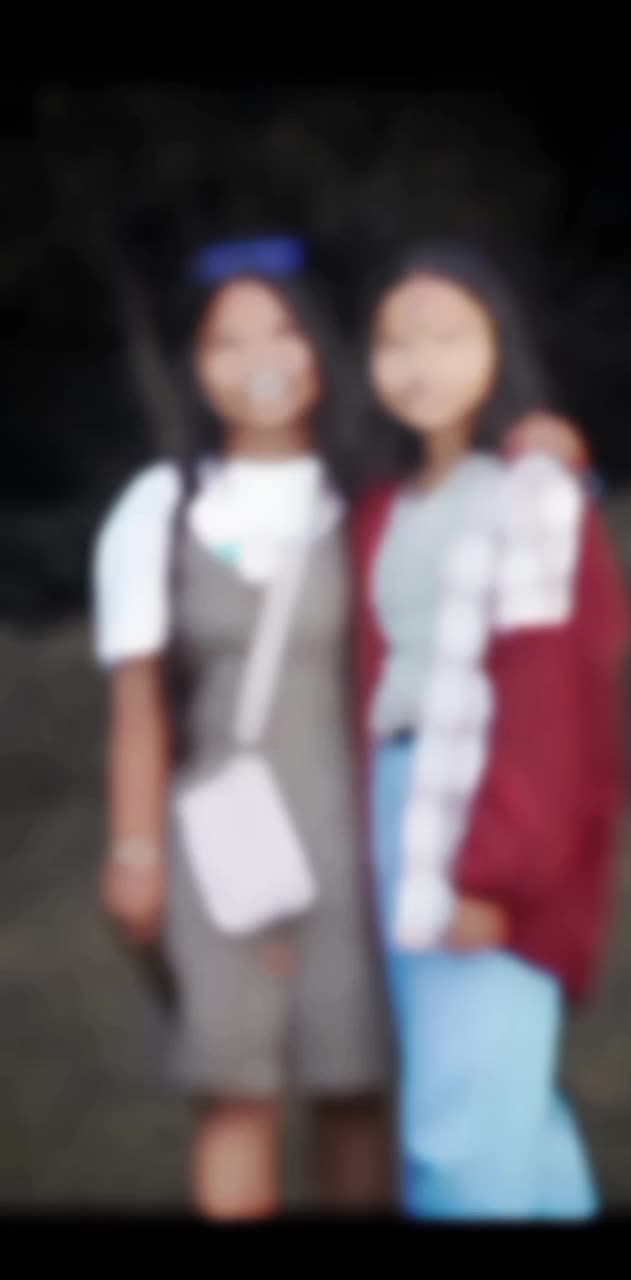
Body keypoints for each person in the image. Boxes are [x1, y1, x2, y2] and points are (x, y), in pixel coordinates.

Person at [91, 235, 395, 1219]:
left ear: (319, 349)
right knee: (235, 1097)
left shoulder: (369, 495)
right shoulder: (159, 507)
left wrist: (544, 444)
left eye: (282, 331)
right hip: (215, 851)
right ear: (194, 365)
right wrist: (133, 849)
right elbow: (138, 702)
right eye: (226, 341)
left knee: (354, 1094)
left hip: (357, 845)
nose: (259, 358)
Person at [349, 240, 631, 1220]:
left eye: (446, 336)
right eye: (395, 341)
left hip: (482, 819)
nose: (418, 363)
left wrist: (494, 871)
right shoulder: (386, 504)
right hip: (396, 801)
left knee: (460, 1136)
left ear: (497, 345)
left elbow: (553, 695)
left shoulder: (531, 494)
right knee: (512, 1116)